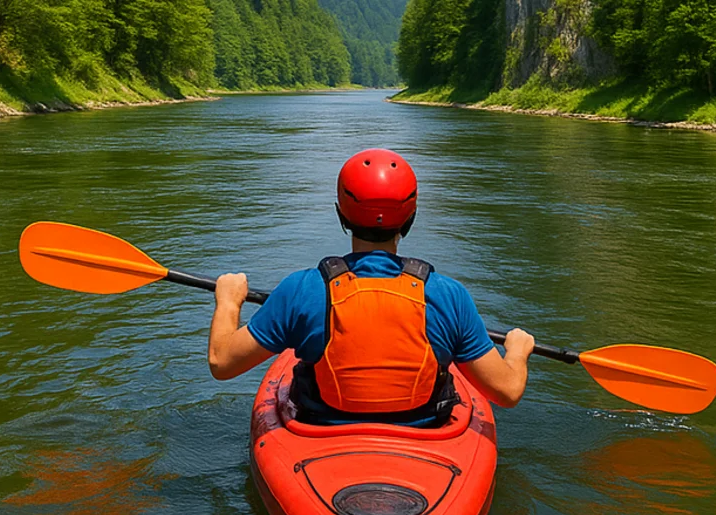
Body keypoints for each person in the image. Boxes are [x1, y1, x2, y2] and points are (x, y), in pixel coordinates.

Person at [208, 149, 535, 426]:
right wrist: (517, 351)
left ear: (341, 214)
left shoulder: (302, 290)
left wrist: (228, 300)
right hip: (426, 433)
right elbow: (506, 392)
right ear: (411, 219)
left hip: (320, 430)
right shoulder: (449, 296)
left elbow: (222, 363)